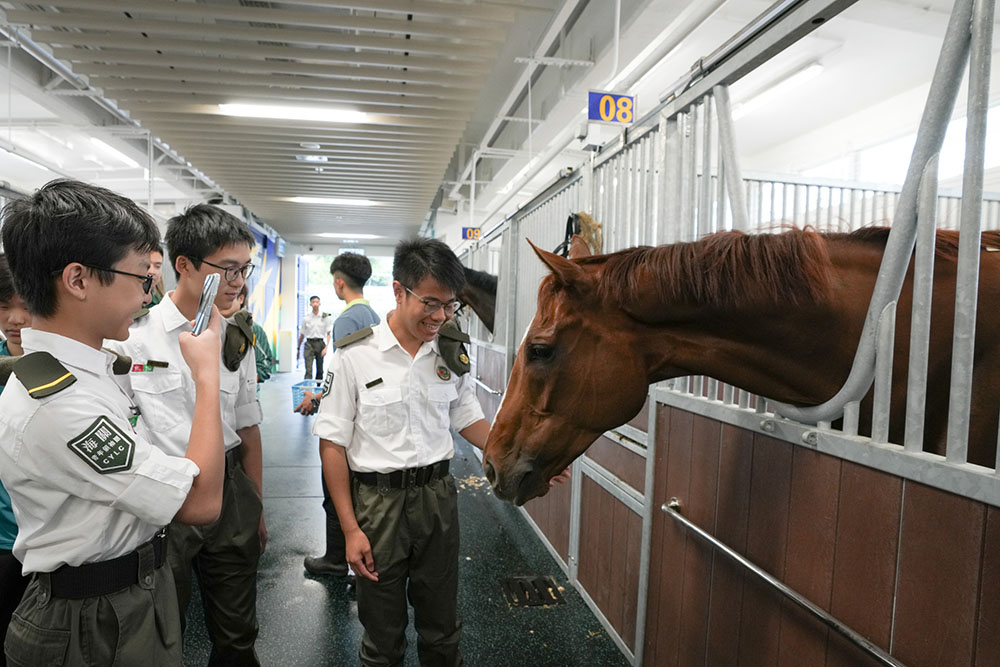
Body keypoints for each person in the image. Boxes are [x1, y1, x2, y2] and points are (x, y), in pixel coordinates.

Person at [0, 179, 225, 666]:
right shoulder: (60, 405)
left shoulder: (94, 364)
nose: (148, 295)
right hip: (87, 620)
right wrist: (208, 378)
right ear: (78, 280)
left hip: (133, 588)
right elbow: (201, 502)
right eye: (141, 278)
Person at [313, 237, 492, 666]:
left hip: (437, 501)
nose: (440, 316)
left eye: (450, 305)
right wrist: (350, 529)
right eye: (430, 303)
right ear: (399, 291)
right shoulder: (354, 355)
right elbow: (332, 446)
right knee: (382, 633)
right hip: (379, 505)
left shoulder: (449, 349)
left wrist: (516, 454)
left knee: (442, 627)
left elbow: (467, 416)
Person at [108, 203, 265, 666]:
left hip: (231, 489)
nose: (238, 279)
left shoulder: (235, 336)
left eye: (244, 268)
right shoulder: (134, 337)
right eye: (228, 268)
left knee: (238, 631)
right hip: (165, 496)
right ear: (184, 265)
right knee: (163, 627)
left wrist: (255, 502)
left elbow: (248, 424)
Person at [298, 252, 380, 578]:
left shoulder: (347, 319)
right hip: (365, 419)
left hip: (349, 423)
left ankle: (335, 560)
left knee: (336, 494)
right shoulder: (373, 313)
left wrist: (319, 398)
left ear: (338, 281)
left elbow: (344, 378)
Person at [0, 254, 31, 666]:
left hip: (52, 541)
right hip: (4, 541)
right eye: (4, 305)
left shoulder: (86, 366)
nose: (14, 318)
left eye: (23, 303)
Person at [224, 284, 274, 386]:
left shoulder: (252, 329)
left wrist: (244, 380)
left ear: (241, 299)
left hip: (244, 396)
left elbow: (265, 366)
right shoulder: (210, 326)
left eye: (229, 296)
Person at [298, 295, 330, 379]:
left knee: (320, 370)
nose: (315, 304)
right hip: (309, 344)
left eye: (317, 302)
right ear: (310, 304)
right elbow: (302, 334)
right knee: (308, 370)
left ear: (320, 304)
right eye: (313, 302)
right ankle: (308, 389)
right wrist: (298, 348)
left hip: (320, 344)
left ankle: (318, 390)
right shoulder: (306, 318)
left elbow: (329, 333)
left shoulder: (325, 316)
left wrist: (326, 348)